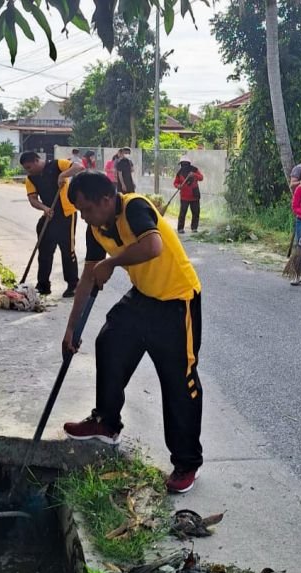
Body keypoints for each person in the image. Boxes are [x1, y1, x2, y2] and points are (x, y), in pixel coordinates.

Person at [61, 171, 204, 494]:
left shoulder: (135, 207)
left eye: (87, 209)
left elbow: (152, 246)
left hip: (177, 300)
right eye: (80, 211)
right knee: (110, 342)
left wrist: (112, 263)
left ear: (106, 199)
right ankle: (106, 422)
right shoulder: (96, 227)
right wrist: (71, 328)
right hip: (144, 296)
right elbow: (88, 278)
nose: (84, 217)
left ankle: (187, 463)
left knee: (179, 382)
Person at [20, 151, 84, 297]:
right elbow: (33, 199)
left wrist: (62, 175)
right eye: (26, 169)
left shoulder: (57, 165)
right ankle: (43, 286)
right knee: (44, 252)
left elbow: (79, 167)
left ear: (37, 160)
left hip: (66, 215)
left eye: (29, 167)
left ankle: (73, 285)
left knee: (68, 251)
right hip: (49, 216)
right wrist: (44, 208)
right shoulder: (31, 179)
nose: (28, 171)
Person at [173, 160, 204, 233]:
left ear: (188, 164)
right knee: (182, 213)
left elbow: (201, 178)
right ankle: (180, 228)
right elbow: (175, 183)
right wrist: (178, 186)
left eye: (185, 164)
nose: (183, 166)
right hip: (184, 197)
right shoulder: (179, 173)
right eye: (182, 164)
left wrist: (194, 175)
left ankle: (194, 228)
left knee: (196, 213)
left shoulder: (195, 170)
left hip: (194, 196)